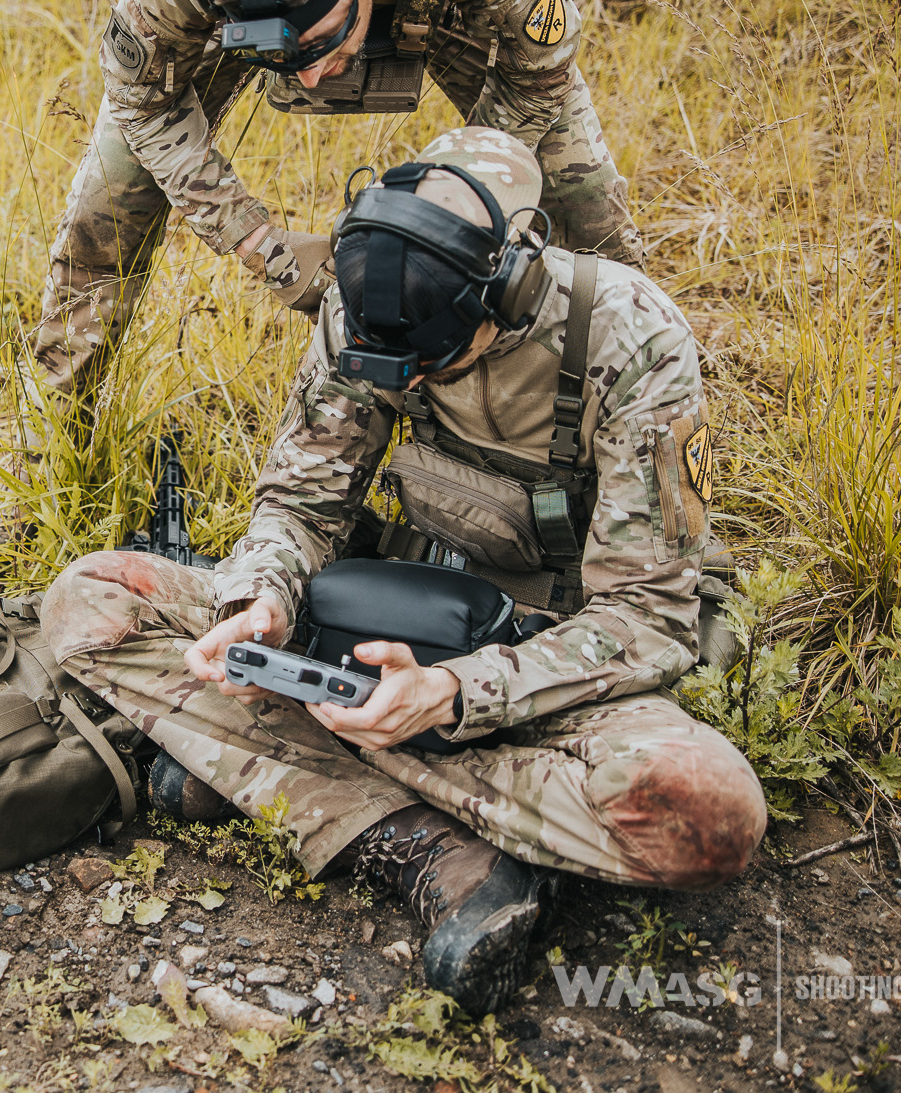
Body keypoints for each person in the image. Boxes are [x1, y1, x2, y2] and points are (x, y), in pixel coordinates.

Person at [39, 127, 763, 1015]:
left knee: (709, 815)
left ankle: (272, 760)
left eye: (430, 361)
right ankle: (435, 846)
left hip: (559, 660)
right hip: (388, 625)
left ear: (503, 288)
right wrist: (261, 597)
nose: (406, 378)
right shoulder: (366, 304)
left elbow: (649, 615)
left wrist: (458, 696)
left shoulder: (629, 339)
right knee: (90, 603)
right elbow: (301, 504)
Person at [35, 0, 641, 398]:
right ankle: (55, 435)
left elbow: (542, 65)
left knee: (585, 201)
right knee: (106, 204)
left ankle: (643, 379)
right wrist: (253, 238)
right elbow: (140, 100)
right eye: (283, 55)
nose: (315, 77)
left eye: (323, 43)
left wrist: (456, 213)